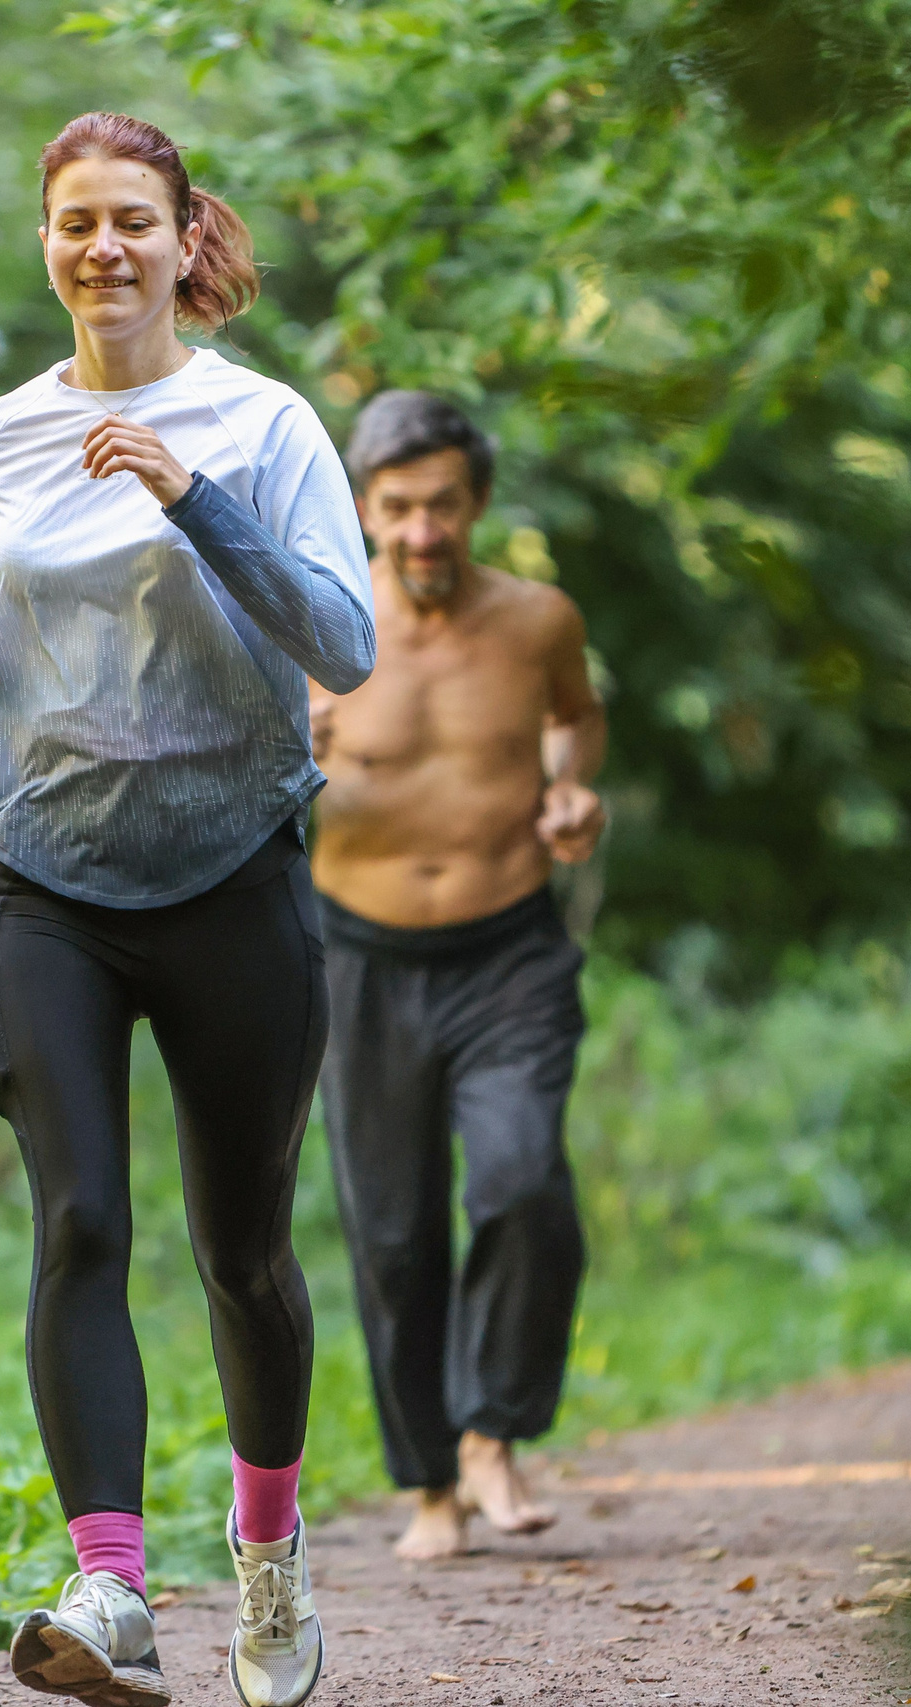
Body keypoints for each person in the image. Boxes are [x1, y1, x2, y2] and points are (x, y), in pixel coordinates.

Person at [0, 112, 373, 1707]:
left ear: (186, 240)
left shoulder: (264, 425)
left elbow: (345, 646)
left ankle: (267, 1559)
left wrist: (193, 493)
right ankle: (111, 1587)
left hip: (232, 870)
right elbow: (19, 583)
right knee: (79, 1220)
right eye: (72, 223)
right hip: (45, 873)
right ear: (43, 242)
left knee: (241, 1251)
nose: (101, 248)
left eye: (131, 221)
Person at [308, 391, 607, 1562]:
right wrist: (293, 752)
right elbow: (234, 775)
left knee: (523, 1184)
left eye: (442, 506)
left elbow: (573, 721)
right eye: (397, 510)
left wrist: (571, 786)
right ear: (365, 509)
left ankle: (493, 1430)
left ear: (475, 502)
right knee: (390, 1234)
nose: (422, 531)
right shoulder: (317, 627)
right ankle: (429, 1484)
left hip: (507, 950)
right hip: (359, 960)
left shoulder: (537, 621)